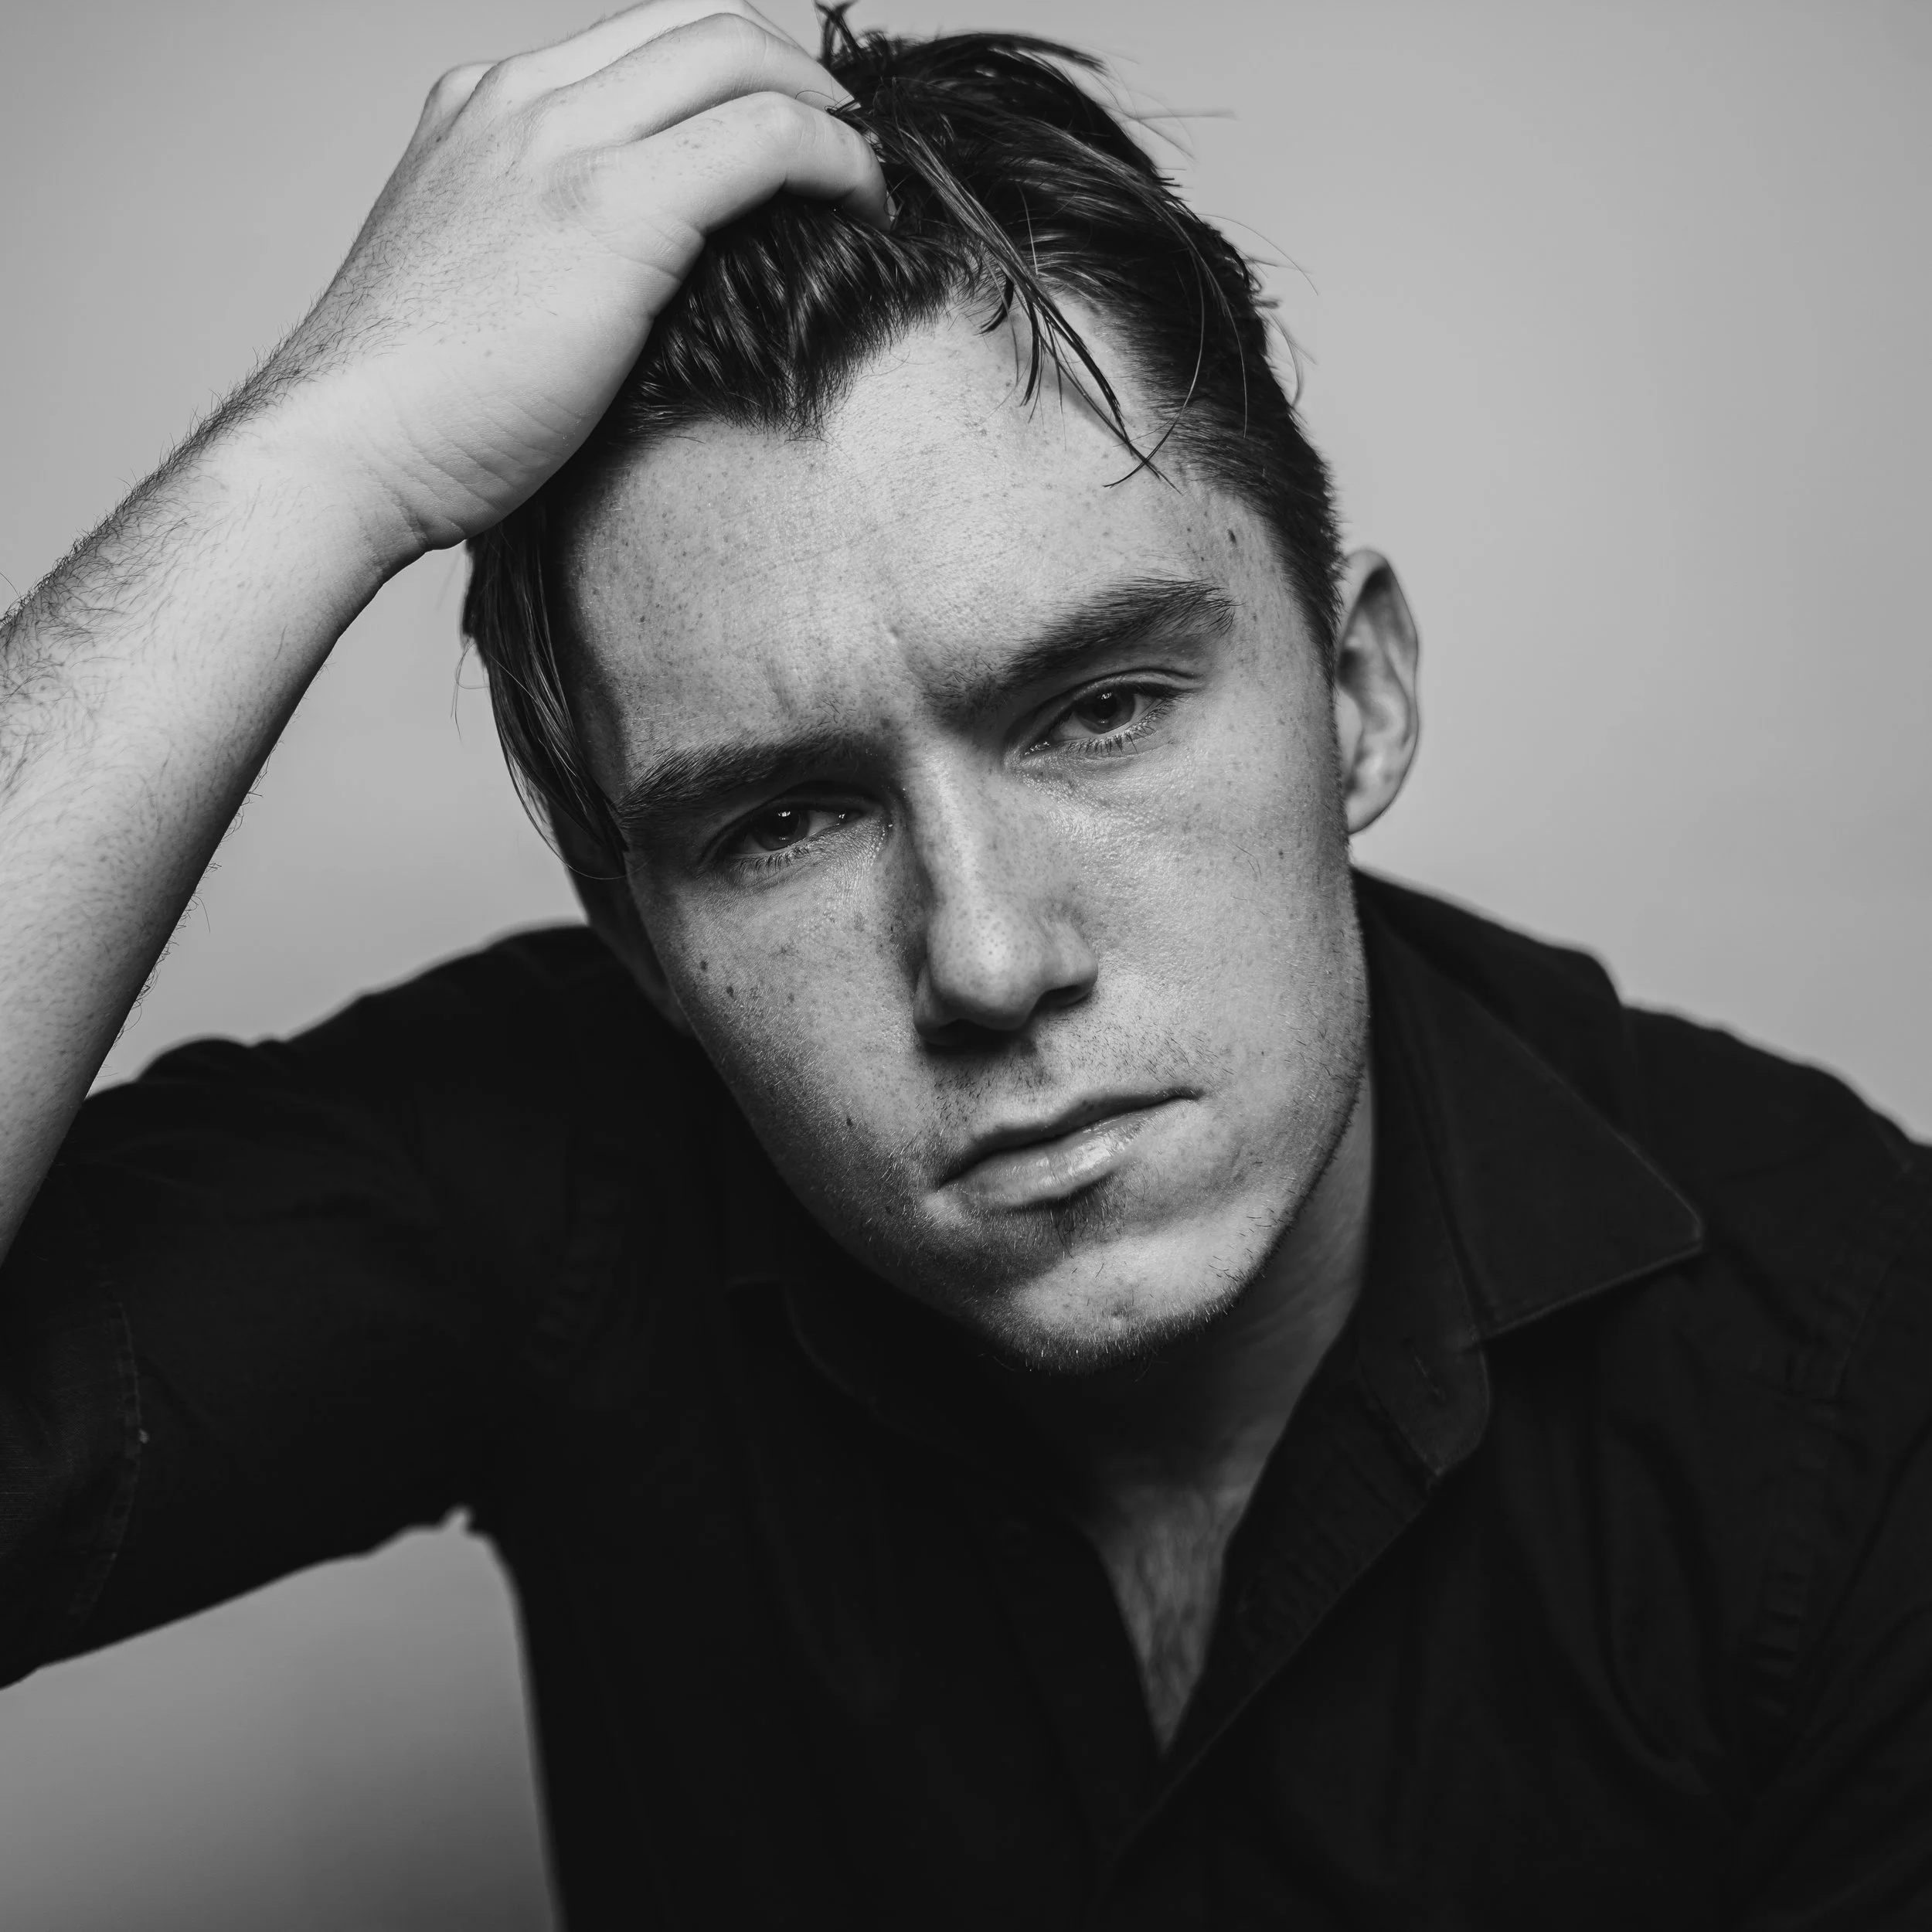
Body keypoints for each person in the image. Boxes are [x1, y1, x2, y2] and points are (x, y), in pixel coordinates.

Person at [1, 3, 1927, 1923]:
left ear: (1356, 697)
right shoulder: (550, 1167)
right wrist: (319, 454)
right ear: (642, 941)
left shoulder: (1850, 1382)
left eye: (1097, 707)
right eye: (781, 821)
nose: (989, 956)